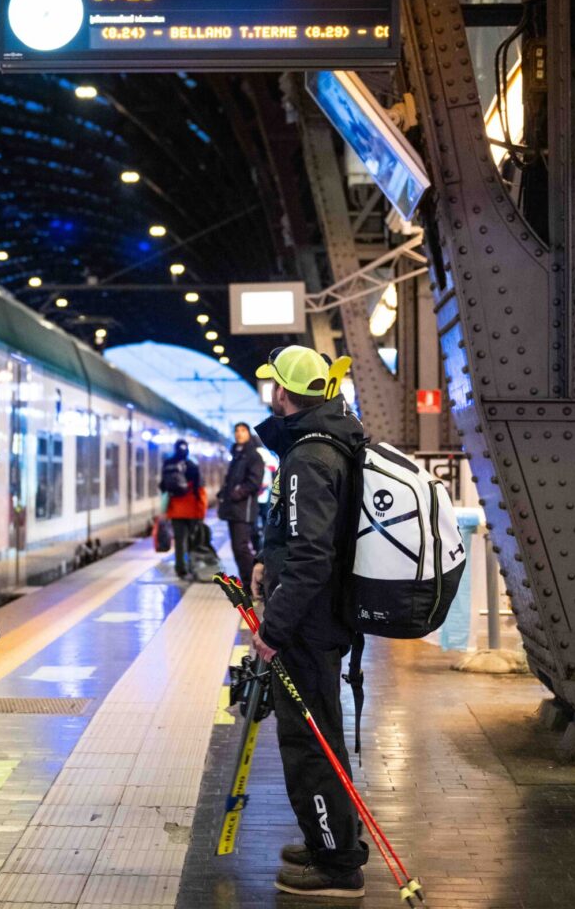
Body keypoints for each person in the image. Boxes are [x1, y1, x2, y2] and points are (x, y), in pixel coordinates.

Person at [249, 346, 369, 899]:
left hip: (306, 628)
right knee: (319, 737)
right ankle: (330, 843)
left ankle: (337, 865)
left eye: (274, 385)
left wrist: (271, 631)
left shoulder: (308, 457)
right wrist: (263, 561)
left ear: (283, 392)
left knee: (310, 744)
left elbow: (312, 556)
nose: (271, 393)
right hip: (320, 622)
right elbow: (299, 540)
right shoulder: (326, 443)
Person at [216, 422, 265, 592]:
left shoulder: (253, 456)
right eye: (236, 430)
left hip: (244, 509)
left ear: (249, 434)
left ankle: (254, 584)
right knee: (238, 548)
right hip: (233, 509)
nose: (239, 433)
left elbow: (254, 481)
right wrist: (224, 493)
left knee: (241, 547)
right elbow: (231, 481)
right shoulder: (236, 456)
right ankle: (248, 583)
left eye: (243, 430)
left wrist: (238, 493)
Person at [159, 438, 207, 579]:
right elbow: (200, 490)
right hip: (192, 509)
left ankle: (180, 568)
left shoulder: (168, 464)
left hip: (176, 509)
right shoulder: (192, 465)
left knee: (180, 541)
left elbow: (163, 487)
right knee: (193, 540)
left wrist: (164, 510)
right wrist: (202, 511)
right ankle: (193, 567)